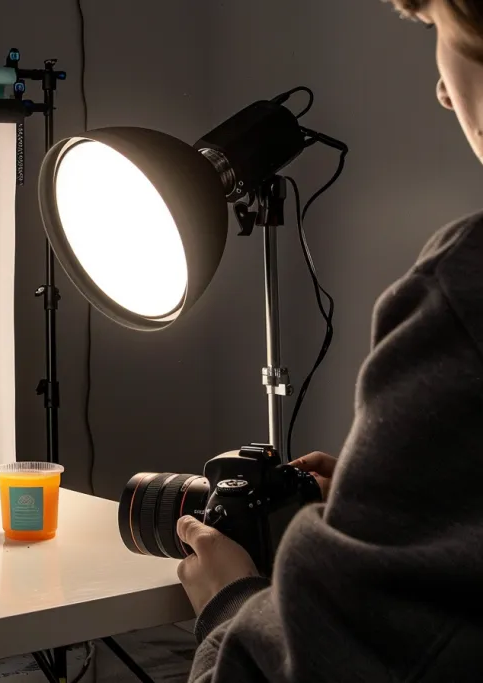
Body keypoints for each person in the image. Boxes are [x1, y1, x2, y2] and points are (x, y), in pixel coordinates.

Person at [175, 1, 483, 680]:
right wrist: (389, 505)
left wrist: (231, 605)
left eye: (437, 29)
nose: (439, 89)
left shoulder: (463, 294)